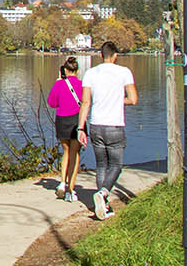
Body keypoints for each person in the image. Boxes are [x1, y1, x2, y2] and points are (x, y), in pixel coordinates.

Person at [78, 40, 137, 221]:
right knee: (116, 165)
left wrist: (81, 128)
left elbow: (86, 102)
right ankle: (103, 193)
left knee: (102, 165)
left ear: (101, 55)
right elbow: (133, 99)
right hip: (115, 125)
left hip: (96, 125)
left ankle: (103, 204)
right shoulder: (124, 72)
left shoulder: (90, 73)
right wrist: (118, 100)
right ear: (115, 55)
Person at [46, 56, 84, 202]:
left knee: (66, 152)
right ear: (77, 70)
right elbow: (87, 102)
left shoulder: (59, 84)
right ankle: (71, 190)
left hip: (62, 121)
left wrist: (57, 83)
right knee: (75, 154)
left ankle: (62, 182)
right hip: (76, 121)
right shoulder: (82, 84)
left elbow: (52, 103)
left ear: (65, 70)